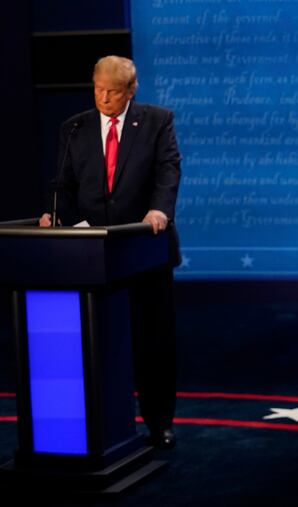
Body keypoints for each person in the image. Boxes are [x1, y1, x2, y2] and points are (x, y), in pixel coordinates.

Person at [40, 55, 181, 449]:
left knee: (153, 343)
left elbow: (169, 169)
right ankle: (99, 422)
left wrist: (160, 210)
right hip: (90, 257)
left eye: (113, 91)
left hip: (144, 250)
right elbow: (63, 184)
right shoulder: (75, 128)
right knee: (96, 343)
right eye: (98, 89)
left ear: (131, 90)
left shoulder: (156, 121)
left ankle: (159, 423)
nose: (103, 98)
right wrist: (54, 215)